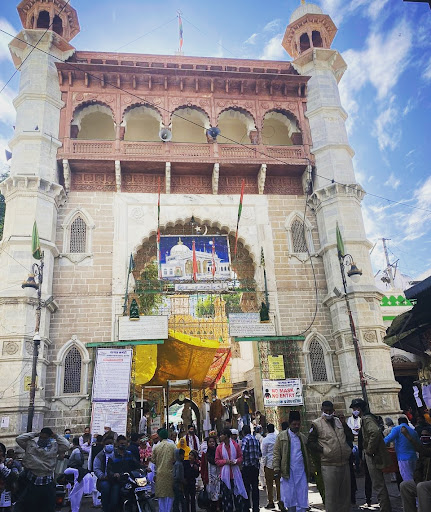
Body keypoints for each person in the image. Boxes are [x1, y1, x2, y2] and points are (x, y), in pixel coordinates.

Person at [307, 400, 351, 512]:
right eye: (325, 411)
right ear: (322, 410)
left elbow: (349, 436)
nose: (328, 413)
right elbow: (310, 443)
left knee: (345, 494)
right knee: (331, 495)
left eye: (330, 411)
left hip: (344, 462)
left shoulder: (339, 422)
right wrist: (323, 450)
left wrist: (344, 424)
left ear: (333, 411)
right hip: (328, 464)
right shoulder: (316, 424)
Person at [350, 398, 392, 512]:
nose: (353, 411)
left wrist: (369, 449)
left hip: (372, 455)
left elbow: (375, 432)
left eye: (354, 409)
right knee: (378, 483)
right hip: (372, 454)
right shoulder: (367, 418)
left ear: (359, 409)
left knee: (378, 484)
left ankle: (385, 508)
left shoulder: (367, 419)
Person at [15, 427, 70, 512]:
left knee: (47, 507)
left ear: (49, 437)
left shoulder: (54, 447)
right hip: (31, 480)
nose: (43, 439)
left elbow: (66, 445)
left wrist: (55, 436)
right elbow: (19, 439)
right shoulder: (31, 445)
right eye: (41, 437)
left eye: (45, 437)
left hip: (46, 482)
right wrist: (35, 433)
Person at [273, 410, 310, 512]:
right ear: (289, 424)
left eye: (298, 424)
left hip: (301, 472)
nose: (296, 426)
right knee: (290, 497)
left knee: (302, 495)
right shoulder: (281, 437)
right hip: (288, 472)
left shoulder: (303, 438)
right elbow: (276, 454)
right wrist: (276, 468)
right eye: (294, 424)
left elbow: (308, 455)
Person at [399, 425, 431, 512]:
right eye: (422, 436)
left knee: (422, 487)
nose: (424, 438)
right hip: (424, 480)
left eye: (426, 435)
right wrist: (417, 480)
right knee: (405, 485)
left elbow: (424, 451)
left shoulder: (425, 450)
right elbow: (418, 470)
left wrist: (408, 437)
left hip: (427, 483)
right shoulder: (422, 452)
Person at [215, 428, 247, 512]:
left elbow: (241, 457)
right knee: (226, 499)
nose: (220, 437)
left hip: (235, 475)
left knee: (238, 497)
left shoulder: (235, 445)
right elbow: (217, 461)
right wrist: (225, 461)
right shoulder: (219, 447)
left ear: (226, 436)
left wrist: (235, 461)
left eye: (221, 435)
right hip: (225, 477)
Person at [106, 435, 139, 509]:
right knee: (114, 500)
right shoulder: (112, 456)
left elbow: (136, 464)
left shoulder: (129, 454)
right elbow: (109, 470)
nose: (123, 445)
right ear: (117, 444)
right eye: (121, 443)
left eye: (124, 443)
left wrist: (145, 468)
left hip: (130, 480)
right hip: (118, 481)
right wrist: (114, 474)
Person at [384, 416, 419, 482]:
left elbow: (387, 439)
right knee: (415, 477)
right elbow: (418, 444)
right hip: (414, 457)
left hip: (403, 458)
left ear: (399, 422)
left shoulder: (397, 429)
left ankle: (410, 488)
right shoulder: (413, 431)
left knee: (407, 478)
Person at [151, 428, 175, 512]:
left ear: (160, 437)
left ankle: (162, 510)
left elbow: (153, 462)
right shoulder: (172, 446)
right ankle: (168, 510)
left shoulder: (156, 447)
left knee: (161, 495)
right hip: (170, 473)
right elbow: (175, 459)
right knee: (170, 494)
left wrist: (154, 474)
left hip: (159, 473)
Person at [241, 424, 261, 512]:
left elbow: (242, 452)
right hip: (255, 467)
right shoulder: (256, 439)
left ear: (243, 432)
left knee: (246, 488)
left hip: (247, 467)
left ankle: (246, 507)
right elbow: (259, 453)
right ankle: (256, 507)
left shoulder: (245, 439)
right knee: (255, 488)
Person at [338, 412, 357, 505]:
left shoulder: (346, 428)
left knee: (351, 476)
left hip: (348, 455)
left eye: (343, 418)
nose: (342, 420)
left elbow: (351, 437)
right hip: (339, 456)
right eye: (340, 418)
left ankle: (352, 497)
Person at [262, 423, 281, 510]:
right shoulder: (278, 438)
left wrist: (264, 465)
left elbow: (264, 454)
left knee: (269, 484)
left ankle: (271, 502)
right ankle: (280, 501)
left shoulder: (265, 440)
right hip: (278, 464)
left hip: (269, 465)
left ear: (267, 430)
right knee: (279, 484)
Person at [93, 438, 116, 512]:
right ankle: (105, 507)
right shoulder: (99, 456)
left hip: (116, 478)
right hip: (105, 479)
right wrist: (103, 476)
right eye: (107, 444)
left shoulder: (117, 453)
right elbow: (96, 469)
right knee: (106, 488)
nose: (109, 445)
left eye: (111, 443)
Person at [200, 435, 220, 512]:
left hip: (218, 478)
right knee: (210, 496)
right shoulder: (205, 454)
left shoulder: (219, 452)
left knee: (218, 495)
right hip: (209, 478)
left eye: (213, 442)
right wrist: (203, 478)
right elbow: (203, 467)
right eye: (210, 442)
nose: (212, 443)